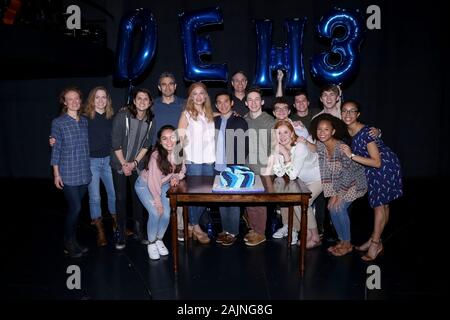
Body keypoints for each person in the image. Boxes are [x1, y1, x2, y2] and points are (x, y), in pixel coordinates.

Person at [340, 100, 403, 261]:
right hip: (378, 168)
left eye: (352, 111)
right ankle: (375, 239)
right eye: (345, 111)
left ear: (358, 114)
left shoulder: (366, 132)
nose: (348, 114)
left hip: (383, 168)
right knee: (384, 205)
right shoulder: (350, 131)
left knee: (379, 206)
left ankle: (375, 244)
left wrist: (351, 155)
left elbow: (377, 161)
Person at [310, 114, 367, 256]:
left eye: (326, 129)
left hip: (355, 182)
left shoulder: (342, 147)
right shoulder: (321, 146)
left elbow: (348, 174)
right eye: (319, 129)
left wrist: (339, 196)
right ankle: (342, 241)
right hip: (338, 184)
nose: (322, 133)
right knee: (331, 207)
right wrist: (332, 195)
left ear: (333, 132)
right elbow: (325, 173)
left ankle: (347, 244)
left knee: (339, 207)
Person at [265, 120, 322, 248]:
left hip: (317, 178)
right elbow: (279, 173)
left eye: (286, 132)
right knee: (297, 201)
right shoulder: (278, 147)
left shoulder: (300, 147)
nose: (282, 136)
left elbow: (292, 175)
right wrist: (277, 155)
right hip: (301, 181)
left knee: (303, 202)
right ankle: (307, 233)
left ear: (292, 134)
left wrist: (285, 154)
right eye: (279, 133)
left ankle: (315, 237)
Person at [110, 88, 155, 250]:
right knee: (121, 199)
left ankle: (138, 230)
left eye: (146, 99)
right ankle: (121, 233)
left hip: (137, 165)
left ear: (150, 103)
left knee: (138, 198)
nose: (142, 101)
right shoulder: (123, 116)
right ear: (134, 101)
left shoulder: (150, 119)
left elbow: (147, 145)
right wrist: (124, 164)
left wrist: (134, 163)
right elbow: (115, 143)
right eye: (139, 98)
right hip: (119, 163)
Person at [50, 87, 91, 258]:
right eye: (70, 99)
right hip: (68, 172)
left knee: (75, 210)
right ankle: (68, 242)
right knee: (76, 208)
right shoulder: (58, 123)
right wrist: (56, 174)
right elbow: (56, 149)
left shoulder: (84, 121)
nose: (74, 102)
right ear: (64, 102)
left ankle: (73, 241)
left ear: (80, 101)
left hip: (84, 172)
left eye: (77, 98)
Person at [135, 125, 186, 260]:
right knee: (156, 212)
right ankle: (151, 242)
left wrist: (175, 177)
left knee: (167, 214)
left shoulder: (179, 152)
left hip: (162, 185)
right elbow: (153, 182)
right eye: (164, 139)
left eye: (172, 138)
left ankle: (159, 239)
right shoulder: (156, 156)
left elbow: (182, 171)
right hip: (145, 185)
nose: (169, 142)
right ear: (160, 141)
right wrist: (157, 202)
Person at [178, 82, 215, 244]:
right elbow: (179, 138)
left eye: (202, 93)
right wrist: (182, 162)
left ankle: (192, 224)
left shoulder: (210, 113)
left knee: (206, 196)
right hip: (193, 160)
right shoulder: (186, 114)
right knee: (195, 196)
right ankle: (195, 226)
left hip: (209, 160)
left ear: (206, 95)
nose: (199, 96)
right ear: (190, 97)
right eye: (195, 93)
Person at [213, 91, 249, 246]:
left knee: (233, 200)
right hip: (216, 166)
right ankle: (225, 229)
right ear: (216, 105)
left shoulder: (239, 121)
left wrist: (236, 167)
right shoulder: (213, 121)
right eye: (219, 102)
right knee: (222, 199)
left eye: (226, 101)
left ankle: (233, 231)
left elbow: (244, 147)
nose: (223, 105)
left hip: (233, 166)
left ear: (232, 103)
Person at [243, 86, 276, 246]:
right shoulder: (244, 120)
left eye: (257, 99)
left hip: (264, 168)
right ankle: (254, 228)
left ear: (262, 101)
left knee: (260, 201)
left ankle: (260, 233)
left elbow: (275, 147)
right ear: (246, 102)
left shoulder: (270, 121)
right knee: (250, 200)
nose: (254, 102)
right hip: (248, 167)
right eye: (250, 99)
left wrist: (268, 168)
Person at [152, 72, 186, 144]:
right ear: (159, 87)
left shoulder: (185, 104)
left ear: (175, 86)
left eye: (170, 84)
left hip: (179, 149)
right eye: (164, 84)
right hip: (157, 150)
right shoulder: (151, 105)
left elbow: (201, 113)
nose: (167, 87)